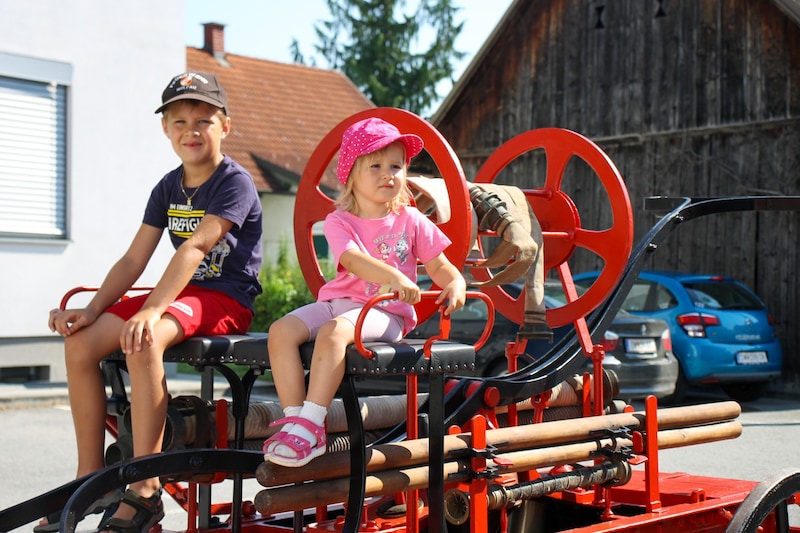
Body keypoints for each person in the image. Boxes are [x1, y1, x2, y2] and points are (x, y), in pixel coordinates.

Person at [44, 72, 263, 532]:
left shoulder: (234, 183)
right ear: (165, 129)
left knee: (143, 339)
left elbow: (195, 248)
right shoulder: (167, 186)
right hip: (180, 292)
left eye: (204, 120)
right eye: (179, 120)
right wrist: (92, 309)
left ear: (225, 125)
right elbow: (133, 258)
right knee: (80, 343)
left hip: (226, 296)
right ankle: (91, 475)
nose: (191, 130)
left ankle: (145, 488)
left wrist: (152, 309)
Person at [262, 117, 467, 468]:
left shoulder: (412, 221)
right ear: (351, 174)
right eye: (376, 165)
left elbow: (439, 265)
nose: (388, 173)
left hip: (386, 311)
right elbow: (353, 260)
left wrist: (455, 281)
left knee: (335, 333)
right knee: (280, 331)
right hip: (337, 302)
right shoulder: (339, 220)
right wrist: (393, 275)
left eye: (396, 166)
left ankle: (310, 423)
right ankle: (299, 420)